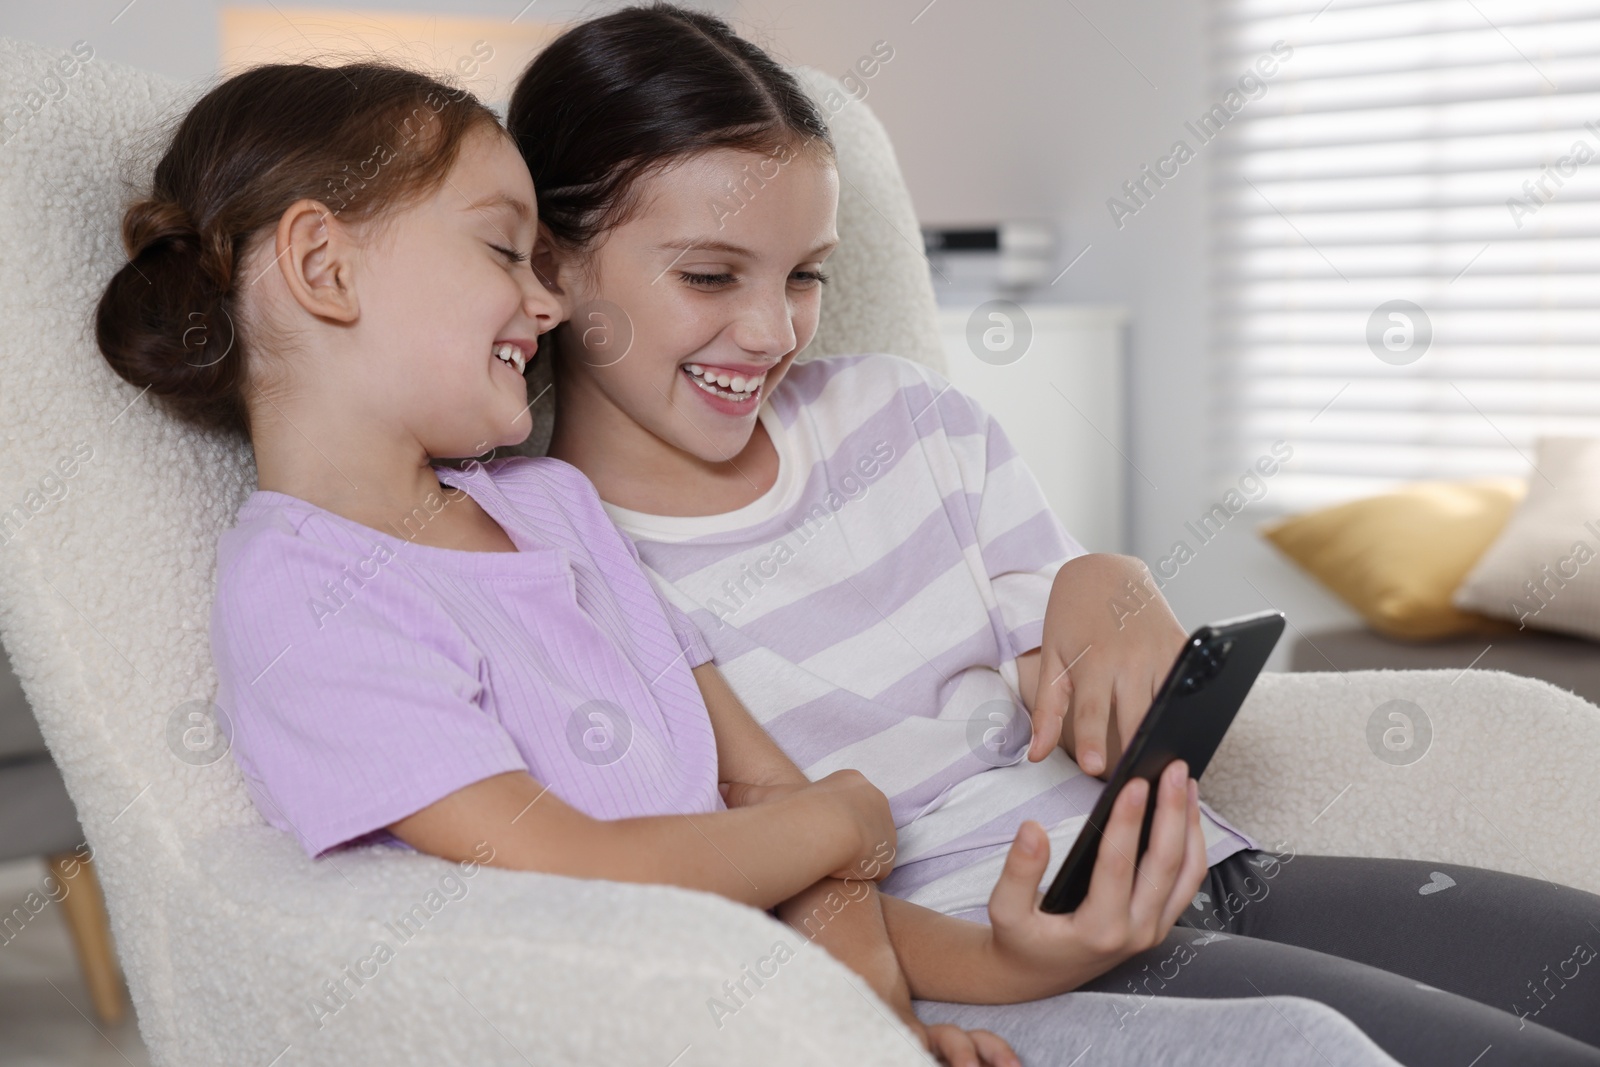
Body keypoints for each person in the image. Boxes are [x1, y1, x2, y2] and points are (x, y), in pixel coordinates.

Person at [91, 60, 1392, 1067]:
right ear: (324, 264)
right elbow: (564, 870)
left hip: (825, 1003)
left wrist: (882, 1012)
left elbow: (757, 784)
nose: (542, 307)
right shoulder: (302, 598)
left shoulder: (549, 506)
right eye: (504, 251)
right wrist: (832, 821)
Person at [507, 6, 1600, 1065]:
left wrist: (1107, 585)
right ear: (549, 268)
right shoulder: (548, 563)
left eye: (804, 274)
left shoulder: (903, 416)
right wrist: (1007, 959)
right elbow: (750, 888)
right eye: (709, 274)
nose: (769, 329)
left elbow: (1067, 667)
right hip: (1002, 948)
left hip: (1180, 866)